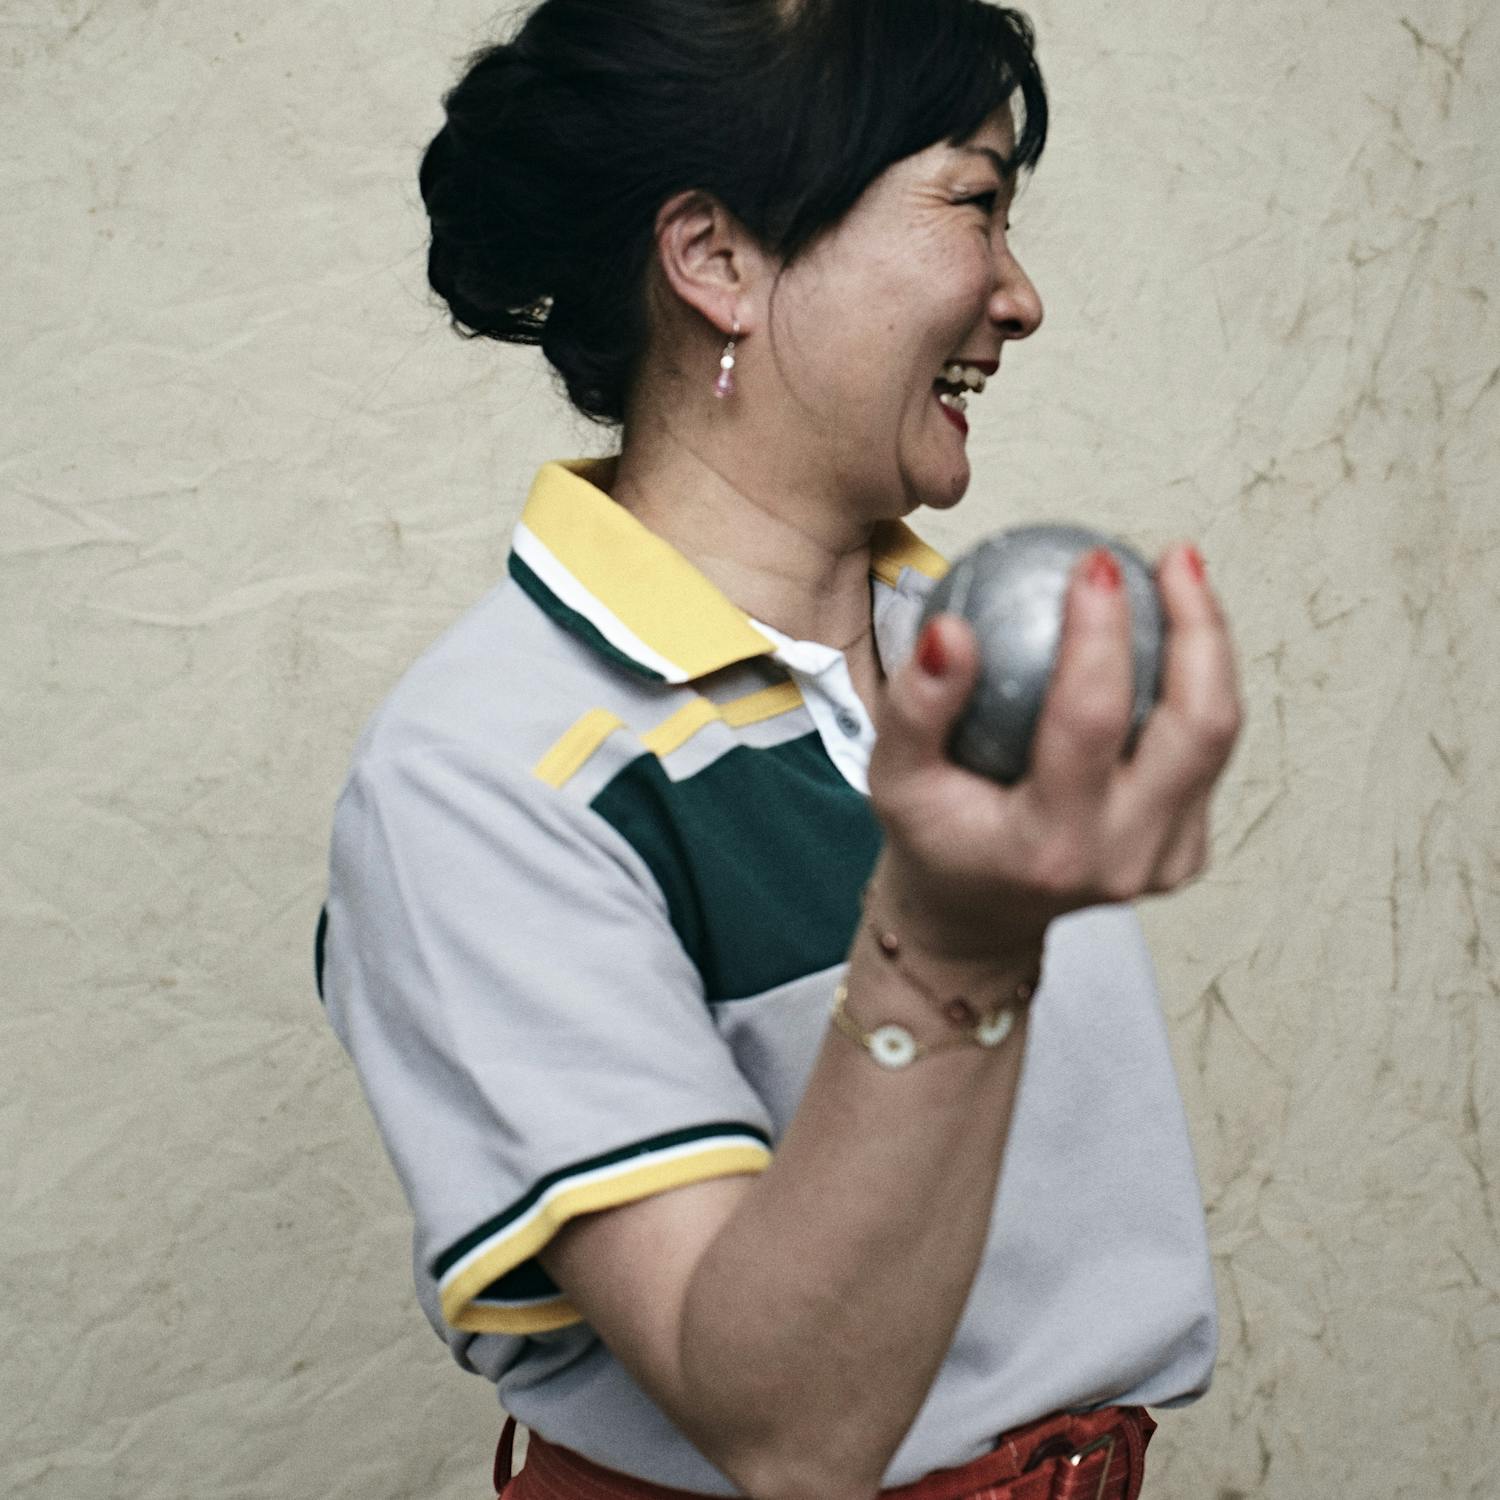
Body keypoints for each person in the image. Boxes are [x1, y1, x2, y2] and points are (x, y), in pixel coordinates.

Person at [317, 2, 1242, 1497]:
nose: (1021, 297)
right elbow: (790, 1432)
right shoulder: (485, 772)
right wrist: (957, 945)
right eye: (976, 202)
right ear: (720, 261)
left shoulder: (979, 655)